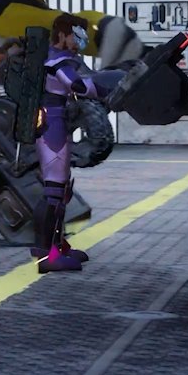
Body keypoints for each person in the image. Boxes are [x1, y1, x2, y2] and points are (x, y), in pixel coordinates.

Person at [35, 14, 126, 273]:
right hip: (52, 127)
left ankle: (58, 246)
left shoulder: (64, 58)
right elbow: (78, 86)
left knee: (61, 189)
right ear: (62, 35)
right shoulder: (56, 61)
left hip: (58, 123)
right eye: (76, 35)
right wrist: (109, 86)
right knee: (54, 190)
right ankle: (48, 255)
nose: (81, 41)